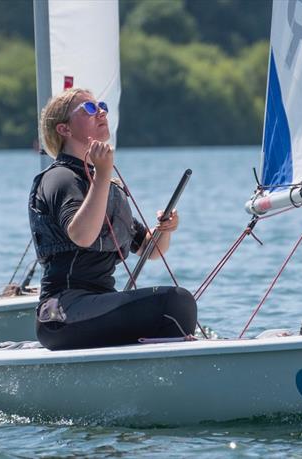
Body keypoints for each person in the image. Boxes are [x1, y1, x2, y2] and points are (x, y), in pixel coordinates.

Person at [29, 88, 197, 350]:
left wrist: (166, 229)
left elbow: (150, 251)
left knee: (178, 305)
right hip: (62, 314)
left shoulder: (103, 182)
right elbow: (82, 236)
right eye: (89, 109)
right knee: (175, 303)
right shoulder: (59, 179)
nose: (102, 113)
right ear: (64, 129)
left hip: (97, 307)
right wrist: (103, 174)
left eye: (102, 106)